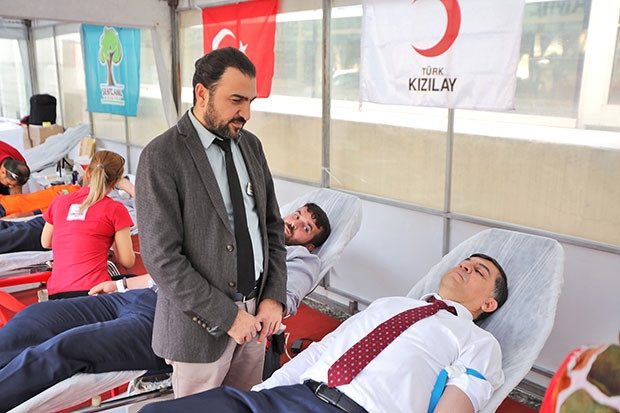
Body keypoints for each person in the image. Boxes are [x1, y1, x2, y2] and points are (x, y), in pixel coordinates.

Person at [0, 202, 330, 412]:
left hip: (177, 322)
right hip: (139, 297)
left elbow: (284, 297)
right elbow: (176, 268)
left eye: (305, 228)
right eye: (297, 215)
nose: (295, 223)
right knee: (34, 319)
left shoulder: (301, 259)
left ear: (311, 244)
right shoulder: (245, 233)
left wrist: (268, 308)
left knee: (61, 349)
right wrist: (121, 285)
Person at [138, 254, 509, 413]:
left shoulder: (479, 342)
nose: (466, 266)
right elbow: (325, 350)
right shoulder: (391, 304)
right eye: (465, 261)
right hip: (292, 396)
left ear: (489, 303)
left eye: (479, 271)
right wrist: (262, 394)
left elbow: (456, 405)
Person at [135, 46, 287, 397]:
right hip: (199, 329)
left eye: (250, 101)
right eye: (236, 100)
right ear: (202, 93)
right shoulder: (162, 156)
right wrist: (228, 317)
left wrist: (273, 297)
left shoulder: (251, 146)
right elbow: (162, 259)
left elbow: (272, 228)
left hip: (256, 318)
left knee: (243, 405)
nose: (246, 113)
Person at [42, 150, 135, 299]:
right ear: (116, 183)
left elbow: (45, 242)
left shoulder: (59, 201)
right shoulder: (115, 209)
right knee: (142, 285)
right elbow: (127, 261)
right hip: (93, 292)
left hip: (57, 293)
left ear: (86, 174)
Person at [0, 183, 80, 219]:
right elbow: (16, 216)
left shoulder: (71, 189)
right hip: (8, 209)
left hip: (7, 204)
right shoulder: (74, 199)